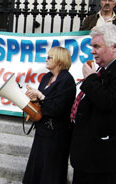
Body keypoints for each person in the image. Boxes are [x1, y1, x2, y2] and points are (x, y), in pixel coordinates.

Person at [70, 24, 116, 184]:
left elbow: (109, 101)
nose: (92, 51)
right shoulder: (107, 68)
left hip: (101, 160)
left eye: (96, 46)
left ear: (113, 46)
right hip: (88, 156)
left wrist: (90, 79)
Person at [22, 47, 76, 184]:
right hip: (43, 129)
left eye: (50, 57)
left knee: (51, 168)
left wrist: (40, 95)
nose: (46, 59)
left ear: (59, 61)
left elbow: (58, 108)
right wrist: (33, 99)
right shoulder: (47, 77)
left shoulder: (66, 80)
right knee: (38, 163)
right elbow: (43, 102)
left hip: (57, 133)